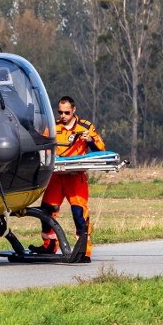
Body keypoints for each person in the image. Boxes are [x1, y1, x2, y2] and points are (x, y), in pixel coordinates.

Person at [30, 96, 105, 262]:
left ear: (74, 110)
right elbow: (42, 143)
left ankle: (83, 250)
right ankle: (49, 245)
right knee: (46, 211)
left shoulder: (85, 127)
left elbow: (100, 148)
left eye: (66, 112)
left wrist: (90, 141)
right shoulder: (53, 126)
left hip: (75, 177)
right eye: (60, 112)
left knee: (79, 213)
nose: (63, 115)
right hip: (56, 177)